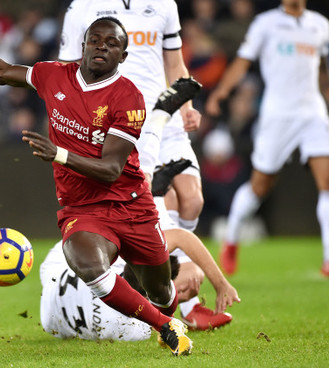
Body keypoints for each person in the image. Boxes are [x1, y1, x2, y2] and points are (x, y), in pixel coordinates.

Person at [0, 17, 213, 356]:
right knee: (90, 267)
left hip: (131, 204)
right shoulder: (54, 75)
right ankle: (166, 326)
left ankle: (165, 317)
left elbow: (110, 169)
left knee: (162, 292)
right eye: (95, 39)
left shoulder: (127, 97)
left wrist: (58, 153)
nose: (101, 46)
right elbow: (0, 71)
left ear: (123, 55)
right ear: (84, 44)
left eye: (112, 43)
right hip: (82, 209)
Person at [58, 0, 230, 330]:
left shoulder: (164, 4)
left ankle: (174, 287)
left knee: (193, 200)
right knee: (154, 201)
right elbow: (66, 73)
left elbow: (175, 63)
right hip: (119, 122)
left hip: (165, 111)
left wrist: (187, 104)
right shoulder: (82, 7)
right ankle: (186, 304)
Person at [205, 0, 329, 280]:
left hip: (313, 113)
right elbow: (242, 61)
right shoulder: (266, 24)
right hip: (277, 116)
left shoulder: (320, 25)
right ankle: (232, 239)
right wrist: (221, 92)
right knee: (260, 185)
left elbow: (324, 72)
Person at [41, 223, 239, 339]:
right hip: (51, 322)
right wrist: (220, 285)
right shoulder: (137, 330)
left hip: (54, 279)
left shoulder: (116, 254)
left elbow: (180, 237)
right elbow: (160, 316)